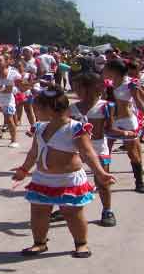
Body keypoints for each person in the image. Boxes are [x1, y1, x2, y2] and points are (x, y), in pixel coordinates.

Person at [12, 85, 115, 258]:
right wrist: (23, 169)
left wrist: (100, 173)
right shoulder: (40, 128)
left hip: (68, 180)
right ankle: (39, 243)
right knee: (38, 212)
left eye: (38, 108)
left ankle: (81, 244)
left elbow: (88, 153)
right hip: (42, 179)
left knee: (73, 214)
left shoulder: (75, 128)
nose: (35, 111)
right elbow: (33, 153)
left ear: (50, 109)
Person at [69, 72, 128, 226]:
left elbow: (109, 129)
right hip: (75, 148)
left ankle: (107, 210)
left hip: (98, 148)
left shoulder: (106, 106)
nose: (76, 92)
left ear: (93, 88)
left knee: (103, 180)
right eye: (74, 88)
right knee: (69, 180)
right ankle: (68, 207)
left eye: (79, 88)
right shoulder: (71, 108)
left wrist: (126, 133)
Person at [103, 59, 144, 193]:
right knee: (105, 152)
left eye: (107, 69)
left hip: (127, 121)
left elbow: (139, 103)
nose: (104, 71)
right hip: (112, 121)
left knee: (133, 154)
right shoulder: (108, 83)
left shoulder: (130, 84)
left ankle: (139, 182)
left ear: (114, 71)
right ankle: (105, 179)